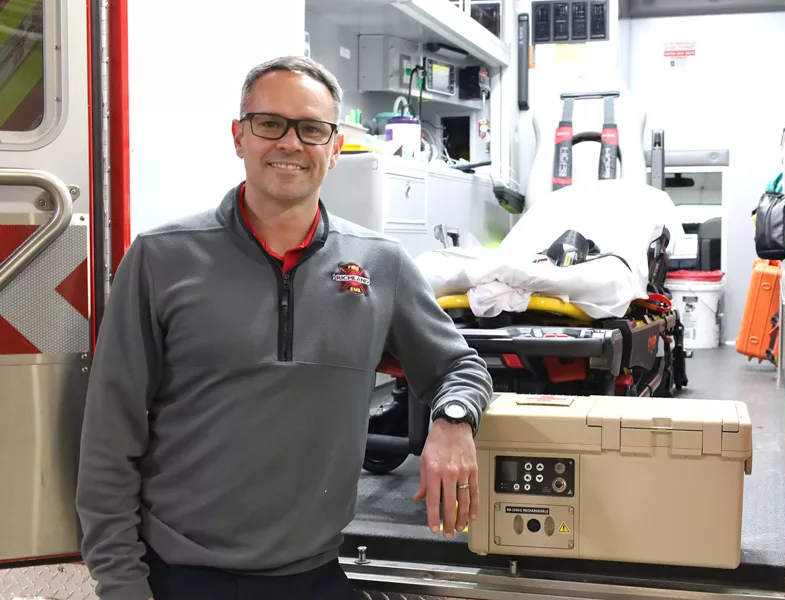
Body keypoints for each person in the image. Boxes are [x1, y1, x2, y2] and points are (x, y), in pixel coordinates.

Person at [75, 56, 494, 600]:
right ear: (239, 136)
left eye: (312, 129)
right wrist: (122, 585)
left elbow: (459, 367)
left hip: (314, 573)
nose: (290, 143)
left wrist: (453, 420)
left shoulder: (380, 264)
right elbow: (110, 436)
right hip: (179, 575)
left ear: (335, 147)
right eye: (270, 123)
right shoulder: (161, 258)